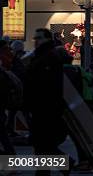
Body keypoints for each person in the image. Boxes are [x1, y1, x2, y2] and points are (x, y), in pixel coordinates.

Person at [23, 28, 70, 175]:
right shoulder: (42, 56)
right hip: (43, 108)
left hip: (45, 108)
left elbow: (46, 84)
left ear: (47, 39)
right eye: (34, 38)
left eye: (39, 38)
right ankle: (61, 165)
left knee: (42, 145)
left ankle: (51, 169)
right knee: (44, 145)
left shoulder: (48, 58)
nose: (36, 41)